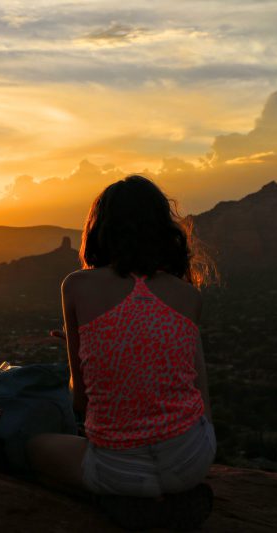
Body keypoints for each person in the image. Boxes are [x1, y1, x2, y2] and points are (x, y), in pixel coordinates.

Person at [27, 176, 216, 502]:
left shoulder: (76, 286)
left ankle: (123, 504)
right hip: (192, 462)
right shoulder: (188, 296)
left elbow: (81, 403)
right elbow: (201, 395)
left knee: (34, 448)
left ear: (100, 228)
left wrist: (86, 356)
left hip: (118, 471)